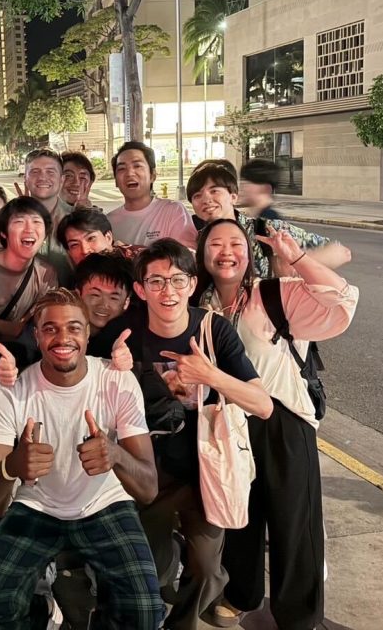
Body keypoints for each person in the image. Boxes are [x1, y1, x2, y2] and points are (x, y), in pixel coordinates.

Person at [0, 288, 164, 630]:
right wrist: (12, 467)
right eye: (50, 328)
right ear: (37, 336)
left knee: (145, 614)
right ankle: (40, 612)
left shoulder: (117, 381)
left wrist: (115, 454)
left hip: (105, 503)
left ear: (87, 334)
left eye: (73, 327)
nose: (63, 337)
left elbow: (148, 489)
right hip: (36, 506)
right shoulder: (12, 393)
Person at [194, 219, 358, 630]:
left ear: (249, 253)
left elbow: (342, 300)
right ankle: (241, 594)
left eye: (235, 243)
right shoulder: (199, 304)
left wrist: (296, 258)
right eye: (215, 244)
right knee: (240, 514)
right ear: (202, 254)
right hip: (230, 421)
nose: (226, 252)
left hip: (284, 421)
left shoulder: (274, 294)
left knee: (293, 523)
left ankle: (299, 617)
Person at [128, 239, 273, 630]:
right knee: (146, 565)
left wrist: (212, 375)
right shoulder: (127, 332)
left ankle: (182, 623)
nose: (168, 291)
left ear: (192, 284)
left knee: (207, 568)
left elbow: (262, 405)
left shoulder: (213, 329)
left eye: (178, 280)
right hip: (150, 473)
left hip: (206, 471)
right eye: (156, 281)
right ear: (140, 289)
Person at [186, 162, 351, 277]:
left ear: (233, 196)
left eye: (214, 191)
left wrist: (295, 264)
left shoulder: (266, 229)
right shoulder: (195, 240)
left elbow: (340, 252)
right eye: (197, 195)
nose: (206, 199)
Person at [0, 196, 57, 351]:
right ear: (3, 233)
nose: (29, 229)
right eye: (19, 222)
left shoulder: (46, 273)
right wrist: (11, 328)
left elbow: (43, 323)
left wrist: (0, 324)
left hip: (26, 354)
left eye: (36, 222)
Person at [0, 148, 73, 285]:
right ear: (25, 178)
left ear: (62, 179)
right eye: (35, 172)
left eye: (50, 172)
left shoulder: (77, 218)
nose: (42, 177)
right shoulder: (8, 221)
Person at [107, 142, 197, 249]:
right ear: (116, 181)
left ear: (152, 175)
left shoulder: (173, 211)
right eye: (122, 168)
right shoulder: (108, 222)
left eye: (137, 166)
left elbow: (187, 255)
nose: (130, 173)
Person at [56, 208, 145, 267]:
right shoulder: (80, 279)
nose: (85, 250)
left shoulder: (141, 261)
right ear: (69, 252)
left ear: (108, 238)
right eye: (74, 245)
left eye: (91, 238)